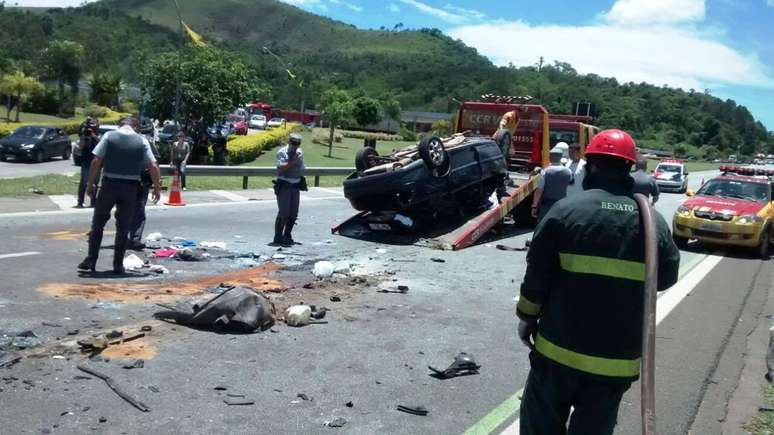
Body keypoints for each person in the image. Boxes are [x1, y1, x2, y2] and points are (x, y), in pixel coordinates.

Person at [516, 129, 681, 435]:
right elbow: (665, 277)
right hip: (614, 363)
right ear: (629, 168)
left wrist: (527, 319)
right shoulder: (651, 222)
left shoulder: (565, 212)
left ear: (590, 165)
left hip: (556, 353)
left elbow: (536, 278)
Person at [77, 117, 161, 274]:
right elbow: (153, 165)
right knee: (123, 228)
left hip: (109, 184)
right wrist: (156, 188)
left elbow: (96, 161)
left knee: (98, 224)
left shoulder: (109, 136)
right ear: (135, 127)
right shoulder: (142, 141)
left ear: (119, 125)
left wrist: (90, 184)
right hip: (130, 188)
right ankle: (117, 265)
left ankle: (91, 258)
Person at [272, 133, 305, 246]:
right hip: (284, 184)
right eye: (293, 143)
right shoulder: (282, 152)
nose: (295, 145)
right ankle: (278, 236)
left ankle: (287, 235)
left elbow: (302, 168)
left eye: (298, 143)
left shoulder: (299, 153)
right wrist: (294, 161)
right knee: (284, 212)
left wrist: (298, 161)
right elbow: (280, 170)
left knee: (293, 213)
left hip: (295, 185)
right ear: (289, 142)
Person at [128, 139, 161, 250]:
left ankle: (126, 238)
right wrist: (157, 186)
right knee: (138, 212)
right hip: (140, 181)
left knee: (126, 210)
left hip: (122, 180)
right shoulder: (145, 141)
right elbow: (154, 163)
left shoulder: (118, 140)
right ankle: (134, 239)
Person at [531, 146, 572, 222]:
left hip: (547, 206)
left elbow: (539, 191)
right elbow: (571, 187)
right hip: (562, 205)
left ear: (550, 157)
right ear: (560, 157)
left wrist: (534, 206)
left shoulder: (545, 172)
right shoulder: (568, 171)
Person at [76, 117, 99, 208]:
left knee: (95, 182)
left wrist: (93, 136)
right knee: (83, 182)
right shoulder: (84, 135)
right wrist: (83, 138)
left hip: (96, 160)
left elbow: (101, 143)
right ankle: (80, 202)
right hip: (86, 160)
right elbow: (80, 147)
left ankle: (93, 202)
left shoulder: (99, 135)